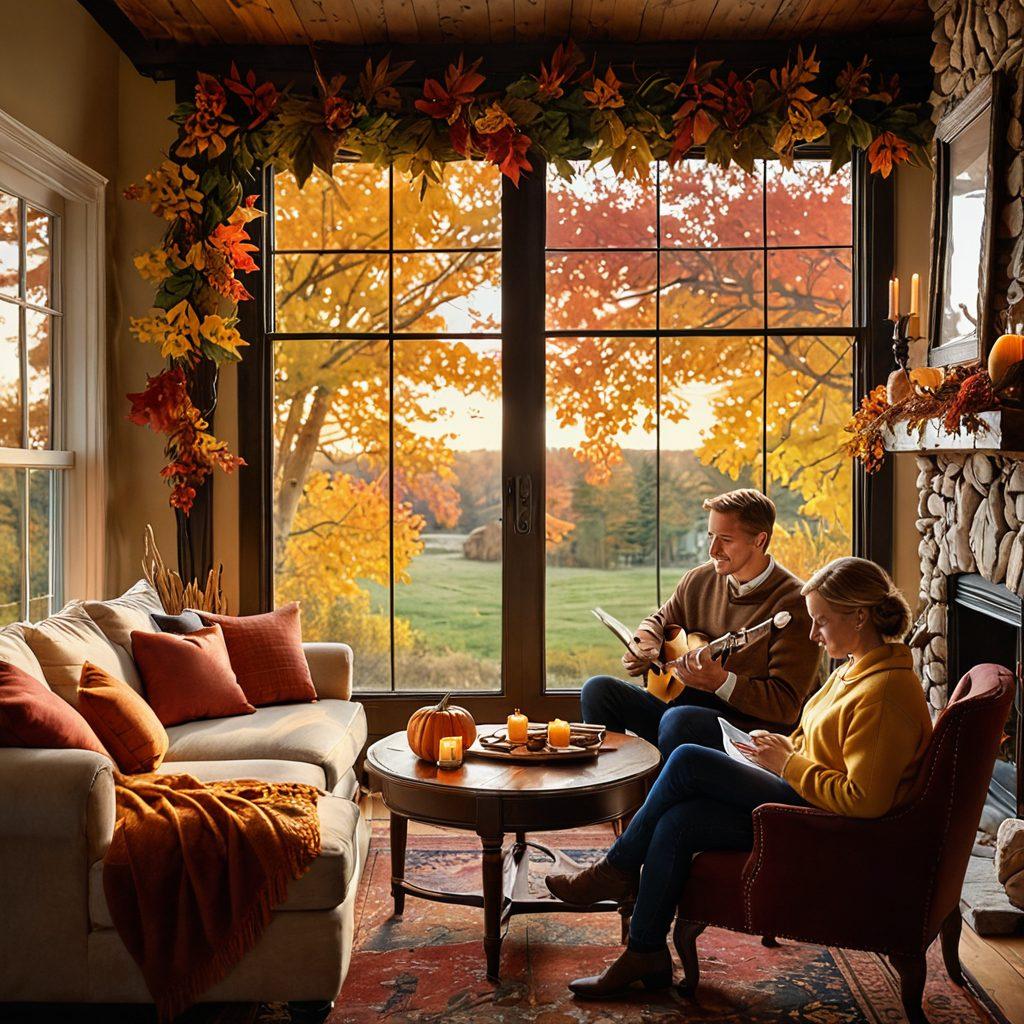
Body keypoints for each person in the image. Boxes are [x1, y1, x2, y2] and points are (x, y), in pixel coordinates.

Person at [548, 556, 933, 999]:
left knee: (689, 759)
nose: (812, 634)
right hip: (800, 794)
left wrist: (786, 764)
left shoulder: (883, 695)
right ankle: (645, 953)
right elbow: (823, 748)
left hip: (816, 820)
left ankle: (615, 869)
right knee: (679, 821)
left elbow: (864, 799)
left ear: (860, 616)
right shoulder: (857, 666)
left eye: (821, 622)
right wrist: (780, 748)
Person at [581, 489, 822, 761]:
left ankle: (659, 797)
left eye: (726, 540)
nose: (712, 550)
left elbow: (786, 707)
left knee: (678, 720)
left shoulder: (796, 603)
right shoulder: (699, 579)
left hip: (749, 732)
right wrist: (645, 642)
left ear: (760, 539)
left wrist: (720, 681)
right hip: (684, 711)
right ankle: (615, 790)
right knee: (598, 690)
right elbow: (661, 619)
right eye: (711, 536)